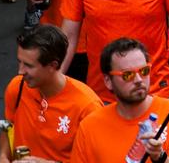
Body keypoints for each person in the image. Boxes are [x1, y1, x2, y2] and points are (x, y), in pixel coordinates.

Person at [65, 38, 169, 163]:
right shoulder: (89, 127)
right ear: (108, 81)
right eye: (127, 75)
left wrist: (160, 157)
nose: (138, 80)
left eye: (144, 71)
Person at [6, 24, 101, 162]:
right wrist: (4, 156)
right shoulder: (17, 86)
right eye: (19, 62)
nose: (20, 71)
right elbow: (8, 127)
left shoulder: (87, 107)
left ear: (53, 65)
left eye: (28, 65)